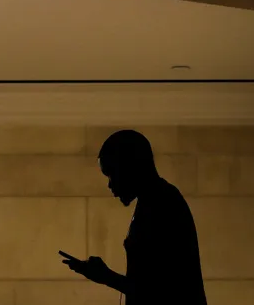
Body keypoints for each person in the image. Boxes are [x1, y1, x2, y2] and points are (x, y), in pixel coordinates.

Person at [60, 130, 207, 305]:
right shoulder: (155, 202)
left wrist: (105, 276)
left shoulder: (162, 204)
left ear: (129, 166)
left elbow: (162, 290)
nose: (110, 185)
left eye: (111, 174)